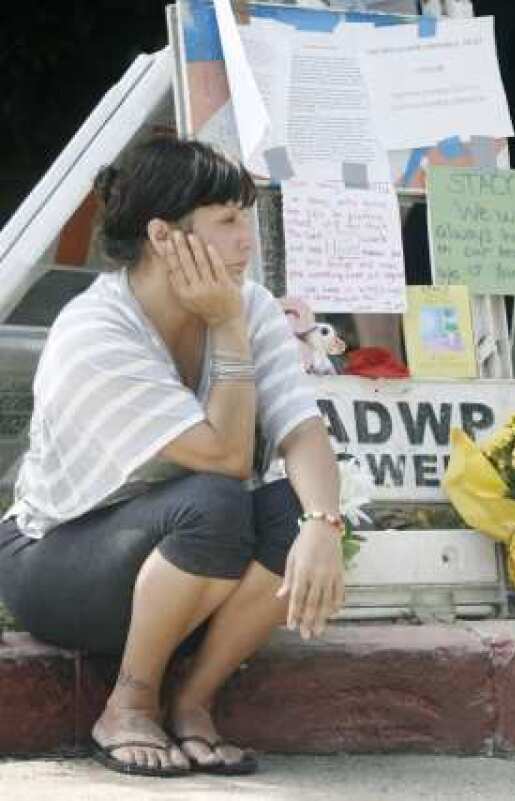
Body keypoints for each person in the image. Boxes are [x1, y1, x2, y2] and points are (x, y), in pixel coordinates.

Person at [0, 138, 345, 778]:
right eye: (228, 221)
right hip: (59, 564)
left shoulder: (249, 304)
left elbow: (303, 432)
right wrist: (227, 331)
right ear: (165, 236)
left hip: (188, 568)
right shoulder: (96, 330)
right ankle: (128, 704)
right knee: (215, 500)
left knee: (294, 508)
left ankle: (192, 701)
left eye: (245, 219)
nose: (247, 240)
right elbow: (225, 457)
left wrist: (324, 525)